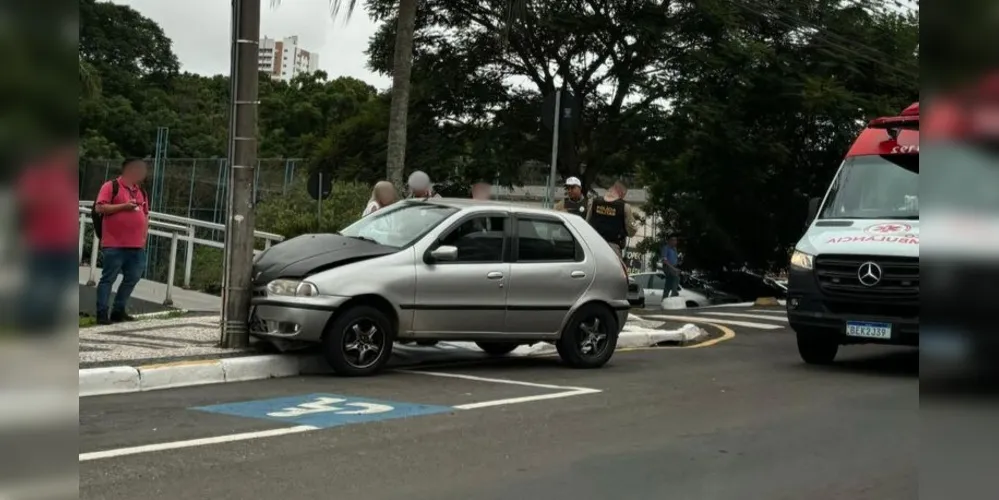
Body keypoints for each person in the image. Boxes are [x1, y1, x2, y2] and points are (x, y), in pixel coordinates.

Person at [16, 145, 79, 332]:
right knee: (39, 283)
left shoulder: (66, 178)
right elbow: (25, 201)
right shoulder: (36, 175)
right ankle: (31, 323)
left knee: (61, 283)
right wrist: (50, 198)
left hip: (65, 241)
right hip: (42, 240)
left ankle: (48, 321)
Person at [94, 158, 150, 325]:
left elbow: (146, 215)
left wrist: (143, 237)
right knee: (108, 278)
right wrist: (123, 206)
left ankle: (118, 310)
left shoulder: (141, 191)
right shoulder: (111, 186)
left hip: (136, 245)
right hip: (114, 244)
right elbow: (100, 207)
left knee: (133, 277)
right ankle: (102, 313)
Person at [586, 180, 637, 258]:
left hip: (593, 246)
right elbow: (631, 231)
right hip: (613, 248)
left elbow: (586, 223)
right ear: (621, 193)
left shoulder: (594, 202)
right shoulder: (625, 207)